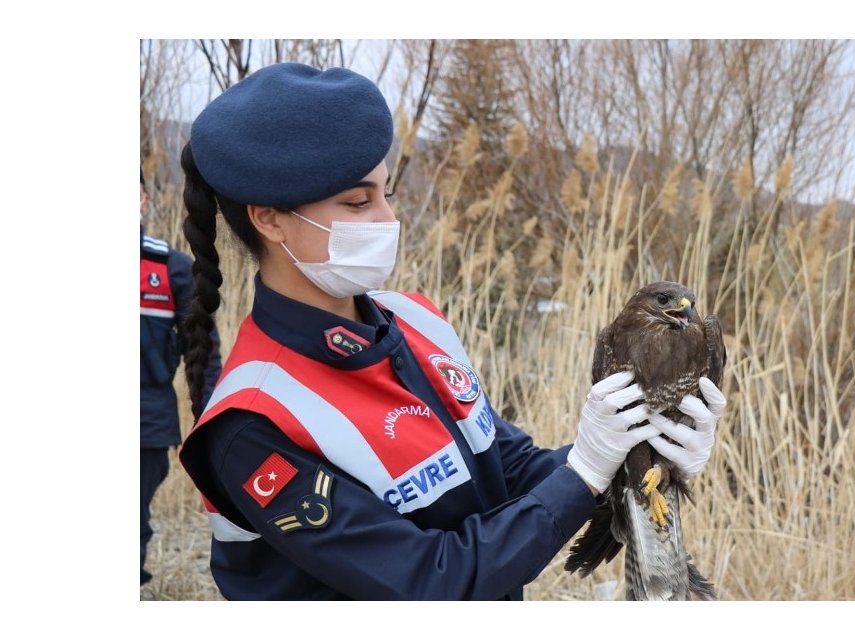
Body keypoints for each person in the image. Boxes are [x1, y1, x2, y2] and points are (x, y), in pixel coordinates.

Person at [175, 62, 726, 600]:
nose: (387, 220)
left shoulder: (415, 320)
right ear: (269, 218)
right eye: (358, 202)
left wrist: (637, 453)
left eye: (388, 194)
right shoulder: (252, 423)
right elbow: (433, 581)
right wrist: (583, 472)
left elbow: (504, 470)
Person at [140, 169, 223, 587]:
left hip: (144, 428)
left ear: (143, 199)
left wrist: (210, 424)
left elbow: (203, 353)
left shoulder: (169, 269)